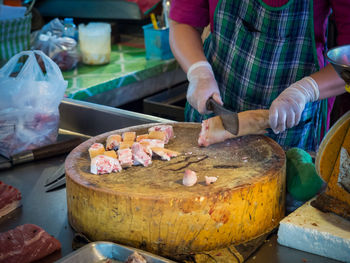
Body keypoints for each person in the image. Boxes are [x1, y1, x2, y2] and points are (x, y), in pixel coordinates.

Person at [169, 0, 349, 151]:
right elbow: (183, 22)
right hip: (216, 98)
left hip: (293, 116)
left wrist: (307, 90)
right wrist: (199, 72)